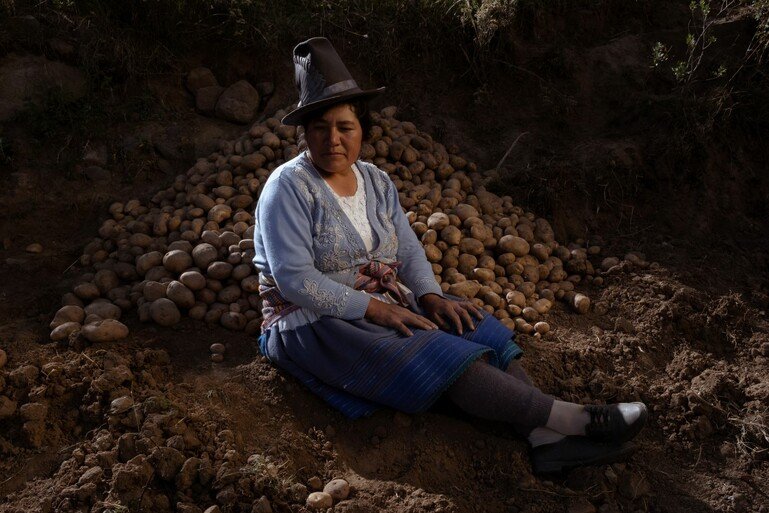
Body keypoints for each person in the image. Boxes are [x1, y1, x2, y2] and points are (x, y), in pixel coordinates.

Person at [252, 37, 647, 474]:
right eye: (320, 127)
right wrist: (377, 311)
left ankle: (544, 440)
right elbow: (294, 280)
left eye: (345, 127)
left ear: (362, 127)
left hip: (383, 302)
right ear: (304, 132)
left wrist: (429, 296)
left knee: (475, 327)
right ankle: (574, 419)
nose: (334, 139)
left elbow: (407, 248)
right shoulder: (287, 187)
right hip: (314, 322)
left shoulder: (377, 182)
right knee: (439, 354)